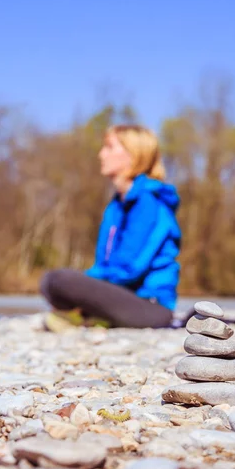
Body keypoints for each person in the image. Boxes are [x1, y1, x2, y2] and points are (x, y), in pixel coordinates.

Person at [41, 124, 181, 331]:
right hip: (123, 295)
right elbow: (107, 264)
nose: (101, 154)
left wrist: (86, 283)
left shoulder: (148, 203)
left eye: (109, 147)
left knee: (58, 280)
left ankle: (87, 316)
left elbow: (129, 268)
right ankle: (91, 316)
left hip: (150, 307)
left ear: (133, 155)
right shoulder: (116, 206)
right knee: (52, 283)